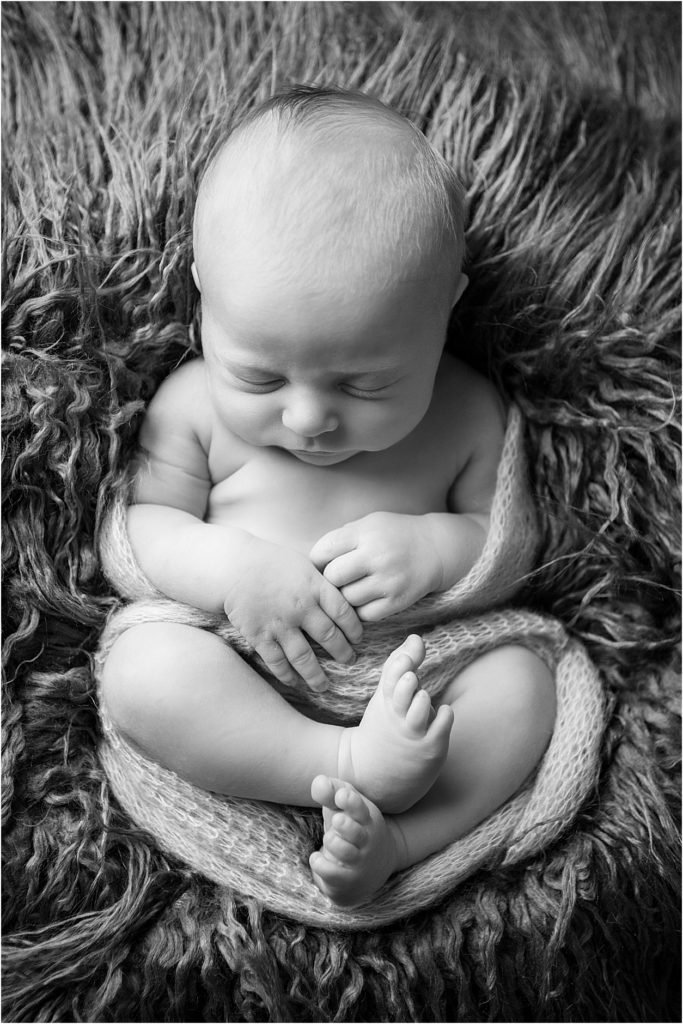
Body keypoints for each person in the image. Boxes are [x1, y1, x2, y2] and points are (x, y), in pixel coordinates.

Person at [100, 86, 556, 907]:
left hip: (417, 675)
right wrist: (233, 571)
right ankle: (334, 764)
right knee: (139, 671)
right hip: (241, 666)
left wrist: (438, 550)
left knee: (524, 682)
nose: (308, 416)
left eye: (365, 382)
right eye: (260, 374)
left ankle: (398, 842)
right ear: (203, 293)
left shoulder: (465, 413)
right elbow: (137, 532)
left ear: (442, 312)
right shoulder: (193, 405)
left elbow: (511, 547)